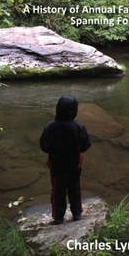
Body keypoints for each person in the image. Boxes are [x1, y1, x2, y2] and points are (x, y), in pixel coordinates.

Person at [40, 95, 91, 225]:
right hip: (75, 164)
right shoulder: (79, 127)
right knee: (75, 189)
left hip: (56, 165)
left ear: (58, 109)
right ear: (74, 111)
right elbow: (85, 146)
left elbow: (44, 146)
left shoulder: (50, 126)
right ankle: (77, 213)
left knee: (58, 191)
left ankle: (58, 217)